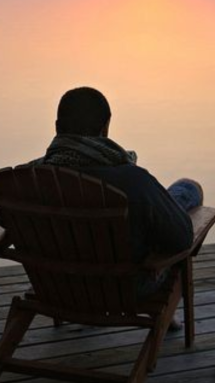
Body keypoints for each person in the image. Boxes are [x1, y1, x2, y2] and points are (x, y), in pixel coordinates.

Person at [30, 86, 204, 300]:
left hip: (55, 285)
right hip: (126, 288)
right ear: (105, 128)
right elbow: (181, 239)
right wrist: (154, 256)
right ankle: (166, 315)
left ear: (57, 127)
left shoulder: (28, 179)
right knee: (188, 189)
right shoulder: (132, 180)